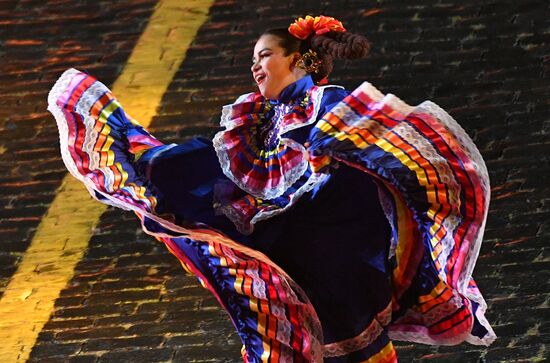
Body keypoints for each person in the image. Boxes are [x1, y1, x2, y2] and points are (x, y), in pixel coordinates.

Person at [48, 15, 495, 363]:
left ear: (298, 59)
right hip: (297, 258)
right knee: (282, 328)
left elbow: (369, 154)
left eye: (264, 55)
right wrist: (152, 162)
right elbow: (218, 167)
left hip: (339, 256)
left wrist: (322, 161)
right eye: (254, 58)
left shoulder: (328, 106)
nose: (254, 65)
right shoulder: (261, 119)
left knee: (350, 337)